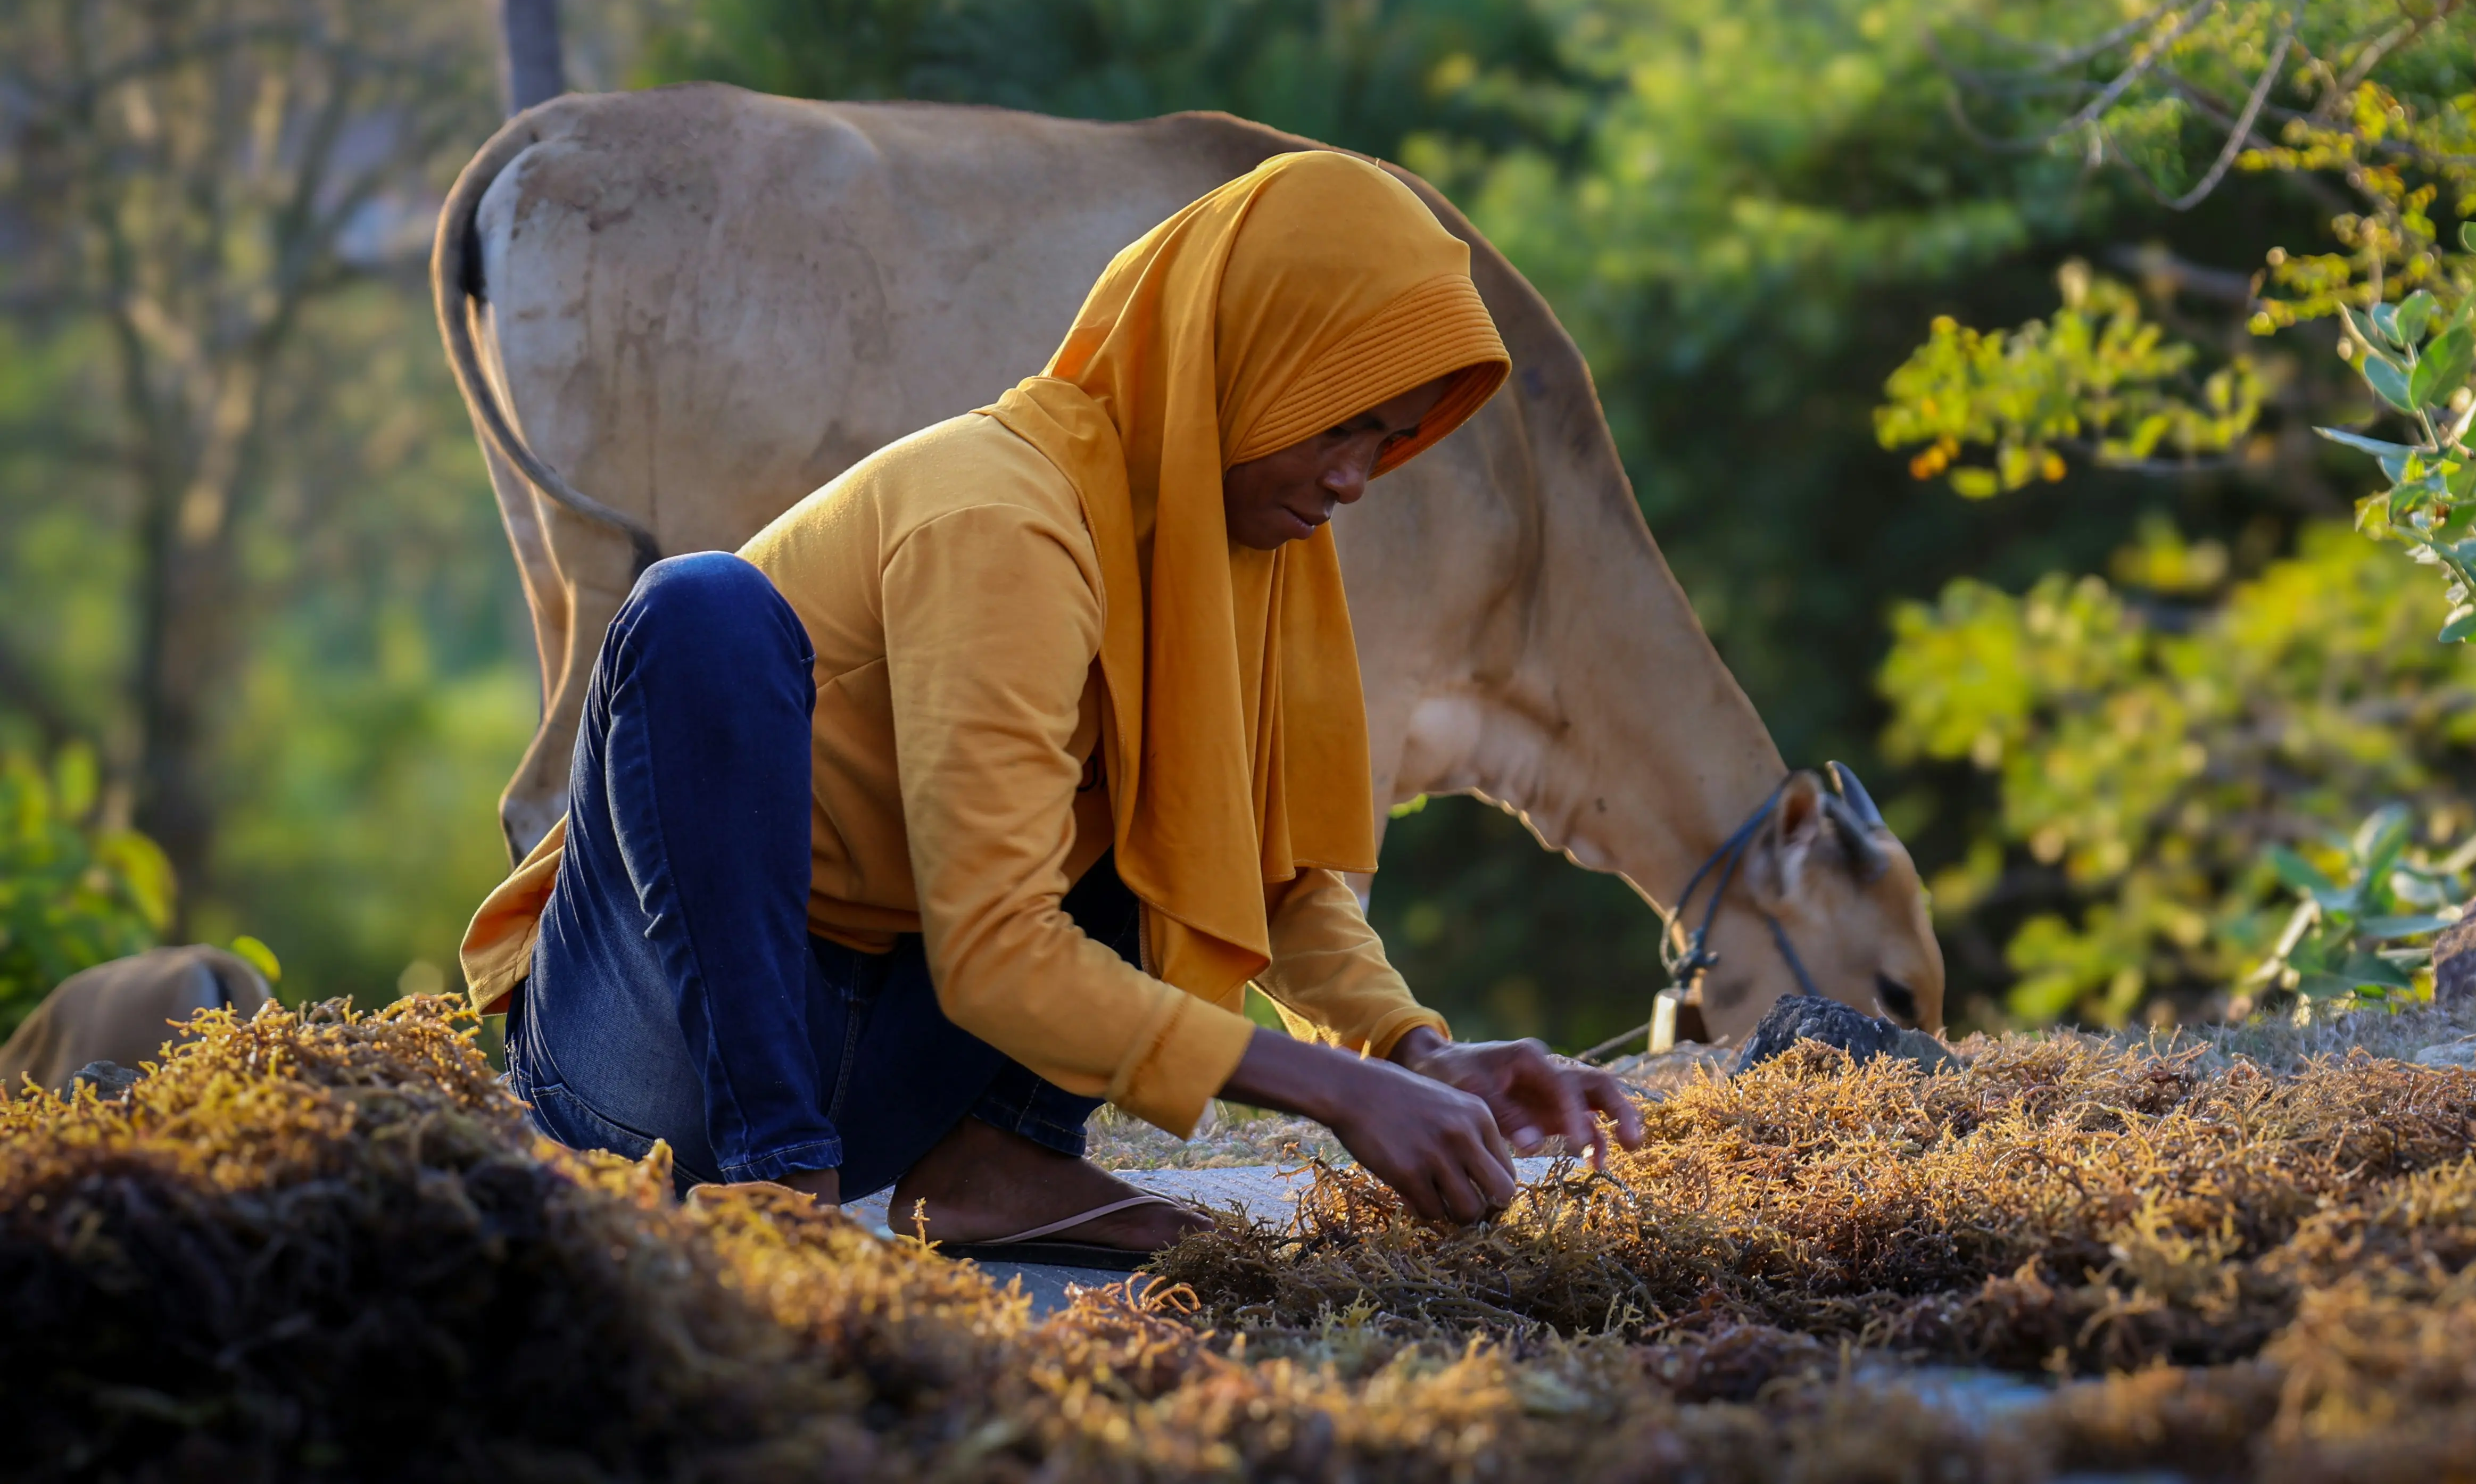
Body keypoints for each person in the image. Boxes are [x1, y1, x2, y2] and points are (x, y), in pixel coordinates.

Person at [459, 151, 1642, 1258]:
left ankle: (999, 1162)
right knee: (700, 610)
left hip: (877, 1064)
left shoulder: (1212, 551)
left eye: (1385, 441)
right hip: (655, 1051)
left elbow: (1253, 867)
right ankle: (784, 1193)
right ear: (1240, 364)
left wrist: (1412, 1051)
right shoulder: (999, 516)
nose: (1352, 479)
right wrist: (1340, 1091)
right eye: (1338, 424)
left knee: (1155, 760)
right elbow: (994, 952)